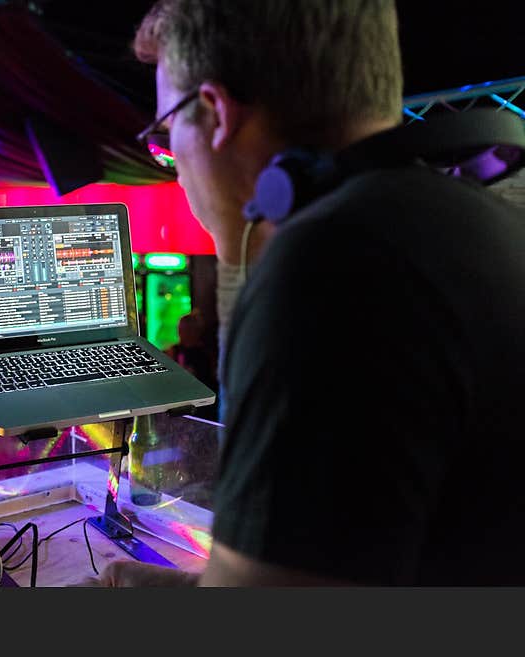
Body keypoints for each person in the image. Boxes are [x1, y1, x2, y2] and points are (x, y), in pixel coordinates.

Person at [86, 0, 525, 586]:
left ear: (215, 113)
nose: (177, 168)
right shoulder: (464, 224)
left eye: (166, 135)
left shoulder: (328, 267)